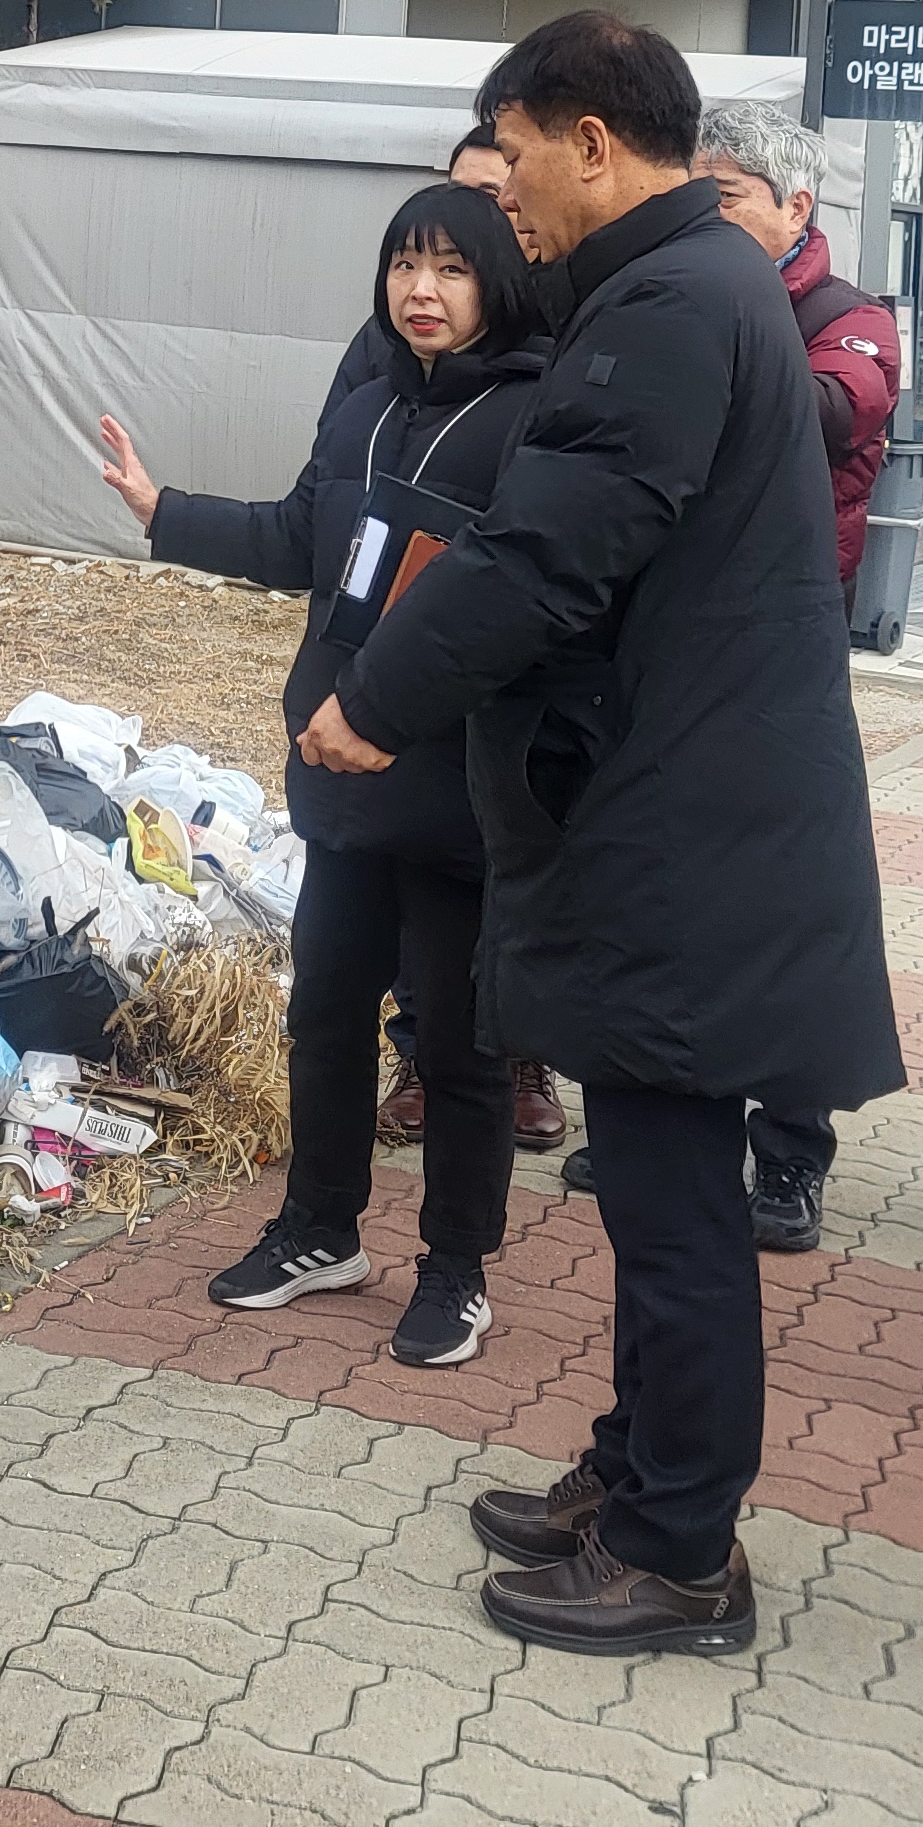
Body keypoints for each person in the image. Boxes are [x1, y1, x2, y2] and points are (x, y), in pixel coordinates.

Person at [295, 10, 903, 1656]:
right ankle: (639, 1470)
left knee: (676, 1200)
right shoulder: (681, 288)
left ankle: (681, 1551)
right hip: (678, 805)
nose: (505, 216)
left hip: (682, 827)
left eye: (514, 168)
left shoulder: (671, 305)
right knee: (651, 1186)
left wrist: (378, 697)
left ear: (585, 138)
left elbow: (555, 550)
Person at [95, 182, 547, 1368]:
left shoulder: (533, 419)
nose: (421, 291)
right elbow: (300, 538)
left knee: (455, 1043)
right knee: (326, 1014)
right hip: (343, 776)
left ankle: (455, 1267)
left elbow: (528, 609)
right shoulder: (367, 409)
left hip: (455, 786)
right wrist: (164, 510)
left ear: (497, 279)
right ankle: (319, 1227)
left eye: (451, 268)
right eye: (405, 266)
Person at [557, 100, 899, 1254]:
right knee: (663, 888)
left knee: (776, 914)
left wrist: (709, 341)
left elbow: (827, 411)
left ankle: (791, 1156)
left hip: (780, 656)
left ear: (795, 207)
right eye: (695, 192)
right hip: (661, 640)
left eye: (730, 196)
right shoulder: (683, 298)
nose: (705, 213)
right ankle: (654, 1110)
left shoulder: (844, 322)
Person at [380, 124, 571, 1158]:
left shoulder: (547, 356)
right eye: (418, 251)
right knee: (418, 887)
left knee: (506, 875)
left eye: (488, 211)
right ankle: (423, 1052)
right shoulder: (382, 356)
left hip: (500, 683)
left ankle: (522, 1058)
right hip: (400, 687)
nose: (435, 271)